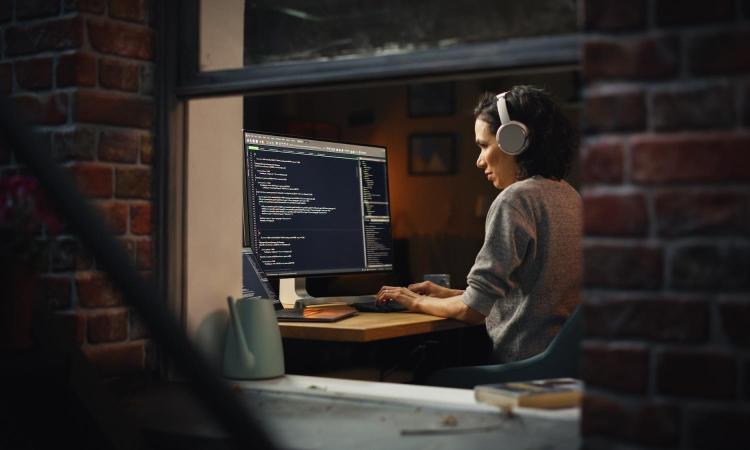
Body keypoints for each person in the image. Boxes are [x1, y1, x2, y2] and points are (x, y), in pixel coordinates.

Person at [376, 85, 582, 363]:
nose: (479, 160)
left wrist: (414, 301)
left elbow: (472, 311)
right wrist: (452, 294)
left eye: (484, 146)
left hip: (519, 368)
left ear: (514, 140)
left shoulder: (515, 199)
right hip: (560, 367)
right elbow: (533, 300)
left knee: (429, 375)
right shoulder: (570, 195)